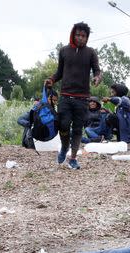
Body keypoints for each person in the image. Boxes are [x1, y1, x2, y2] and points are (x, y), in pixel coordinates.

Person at [45, 22, 102, 170]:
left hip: (82, 99)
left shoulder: (91, 53)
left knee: (77, 129)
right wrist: (51, 80)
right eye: (78, 35)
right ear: (73, 34)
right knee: (63, 125)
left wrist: (97, 78)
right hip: (65, 97)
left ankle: (73, 158)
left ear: (87, 37)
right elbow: (59, 72)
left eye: (83, 36)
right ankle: (64, 147)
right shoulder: (64, 51)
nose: (80, 38)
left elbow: (97, 70)